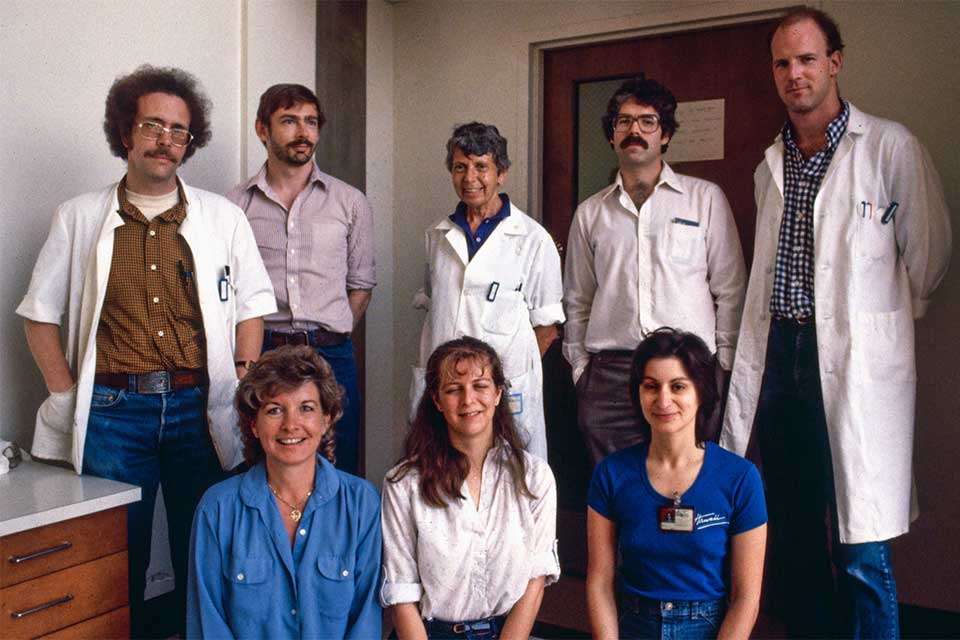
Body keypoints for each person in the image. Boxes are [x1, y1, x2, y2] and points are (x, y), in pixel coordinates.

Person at [16, 64, 276, 635]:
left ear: (191, 140)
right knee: (116, 556)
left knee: (204, 550)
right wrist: (65, 393)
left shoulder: (222, 217)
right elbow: (39, 316)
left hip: (199, 407)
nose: (166, 140)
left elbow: (252, 306)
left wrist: (241, 378)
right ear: (126, 133)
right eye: (153, 125)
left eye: (179, 130)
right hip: (113, 414)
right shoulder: (79, 216)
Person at [720, 8, 951, 638]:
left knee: (861, 545)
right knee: (792, 536)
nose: (795, 74)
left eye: (807, 59)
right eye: (782, 63)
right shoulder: (772, 164)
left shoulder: (889, 148)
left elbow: (928, 259)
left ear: (835, 63)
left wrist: (875, 322)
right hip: (781, 363)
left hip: (854, 365)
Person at [563, 77, 746, 465]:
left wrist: (723, 365)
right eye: (623, 121)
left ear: (664, 135)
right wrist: (581, 368)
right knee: (619, 491)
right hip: (611, 376)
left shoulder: (705, 199)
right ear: (611, 136)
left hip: (689, 369)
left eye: (647, 121)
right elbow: (577, 299)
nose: (634, 131)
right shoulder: (591, 213)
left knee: (689, 484)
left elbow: (731, 290)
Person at [228, 83, 375, 475]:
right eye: (289, 121)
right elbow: (230, 292)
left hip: (333, 354)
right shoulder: (234, 206)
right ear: (263, 129)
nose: (303, 132)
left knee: (339, 469)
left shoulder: (350, 202)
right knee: (263, 468)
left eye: (311, 122)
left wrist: (330, 331)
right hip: (265, 353)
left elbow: (360, 285)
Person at [187, 345, 382, 639]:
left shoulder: (362, 503)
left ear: (326, 418)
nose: (291, 425)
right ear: (253, 424)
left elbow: (367, 618)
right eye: (275, 410)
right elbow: (208, 623)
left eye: (306, 408)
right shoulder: (217, 508)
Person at [587, 328, 766, 640]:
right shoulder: (611, 473)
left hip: (708, 628)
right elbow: (600, 582)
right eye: (651, 386)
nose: (663, 400)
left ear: (701, 392)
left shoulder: (740, 478)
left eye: (678, 386)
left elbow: (746, 598)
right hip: (633, 625)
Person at [383, 337, 559, 639]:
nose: (468, 400)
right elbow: (401, 592)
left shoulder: (534, 477)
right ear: (437, 400)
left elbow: (535, 579)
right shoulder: (403, 483)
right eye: (453, 389)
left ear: (498, 393)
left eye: (480, 386)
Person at [410, 122, 563, 460]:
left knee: (510, 476)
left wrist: (496, 383)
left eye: (481, 167)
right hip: (445, 388)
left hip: (504, 391)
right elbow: (437, 307)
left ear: (501, 173)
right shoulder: (437, 236)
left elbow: (547, 329)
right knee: (440, 472)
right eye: (460, 167)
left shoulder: (532, 239)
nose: (470, 178)